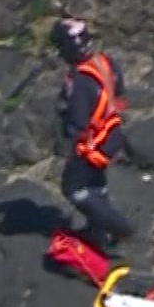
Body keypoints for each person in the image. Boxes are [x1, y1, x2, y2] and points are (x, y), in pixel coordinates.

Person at [52, 17, 135, 254]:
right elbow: (119, 93)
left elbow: (78, 121)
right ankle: (98, 231)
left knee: (74, 187)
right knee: (96, 184)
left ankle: (118, 227)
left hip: (93, 144)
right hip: (113, 134)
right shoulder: (106, 63)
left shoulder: (79, 82)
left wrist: (70, 137)